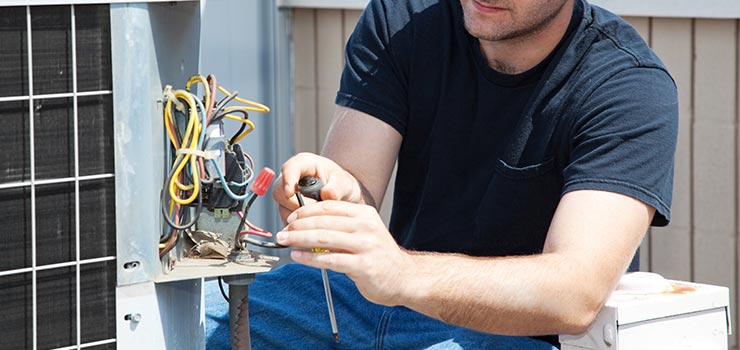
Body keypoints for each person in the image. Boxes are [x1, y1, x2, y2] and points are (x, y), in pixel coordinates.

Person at [246, 0, 678, 348]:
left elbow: (574, 293)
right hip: (365, 304)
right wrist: (334, 194)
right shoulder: (401, 19)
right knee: (191, 320)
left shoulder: (628, 86)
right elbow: (355, 184)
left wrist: (401, 275)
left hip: (514, 337)